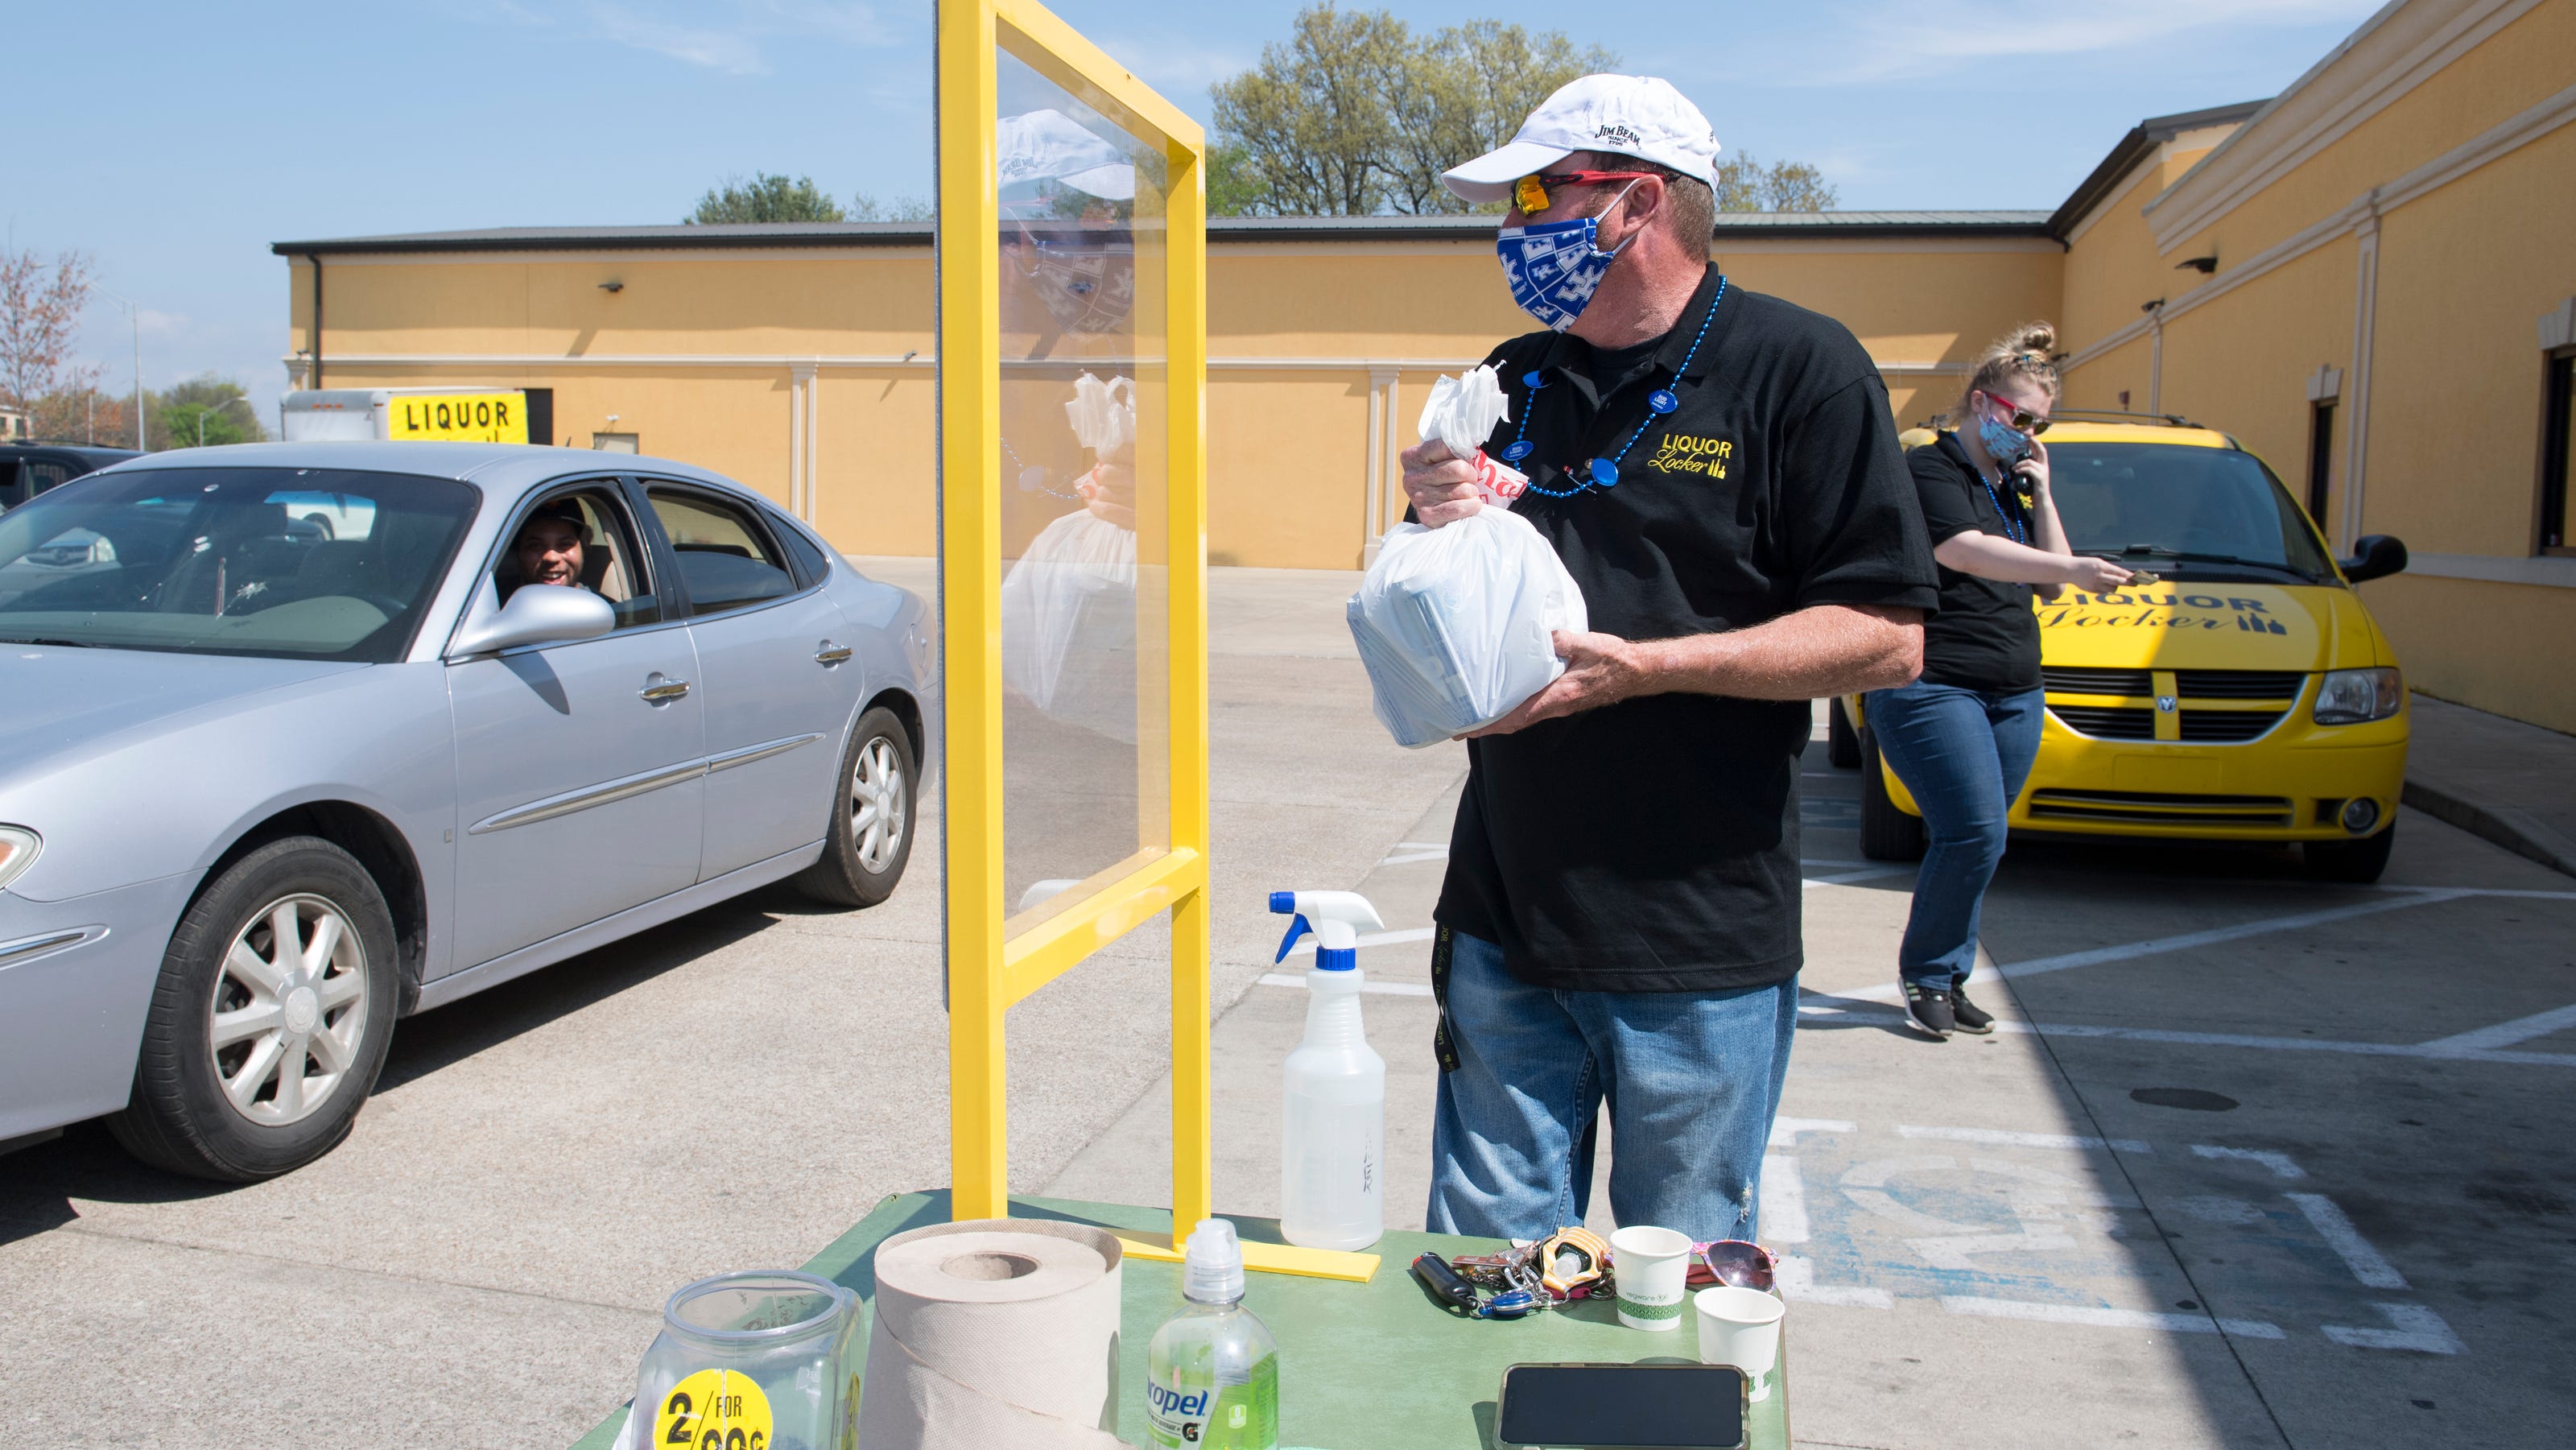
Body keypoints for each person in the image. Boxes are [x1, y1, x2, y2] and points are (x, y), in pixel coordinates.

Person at [1399, 74, 1938, 1244]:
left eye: (1537, 196)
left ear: (1637, 201)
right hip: (1505, 915)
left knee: (1675, 1284)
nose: (1511, 231)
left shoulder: (1803, 370)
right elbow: (1447, 598)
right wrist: (1433, 517)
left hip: (1694, 941)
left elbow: (1890, 635)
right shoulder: (1515, 375)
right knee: (1483, 1269)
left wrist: (1653, 667)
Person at [1863, 324, 2132, 1039]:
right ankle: (1927, 971)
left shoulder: (2010, 487)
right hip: (1936, 685)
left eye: (2041, 422)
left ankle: (1949, 974)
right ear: (1984, 404)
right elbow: (1964, 551)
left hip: (2015, 690)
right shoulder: (1933, 469)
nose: (2029, 430)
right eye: (2019, 416)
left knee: (1981, 839)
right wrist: (2071, 570)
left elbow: (2050, 582)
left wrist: (2041, 493)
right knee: (1974, 830)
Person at [507, 502, 594, 597]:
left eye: (565, 544)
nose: (552, 557)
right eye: (536, 546)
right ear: (518, 553)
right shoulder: (496, 605)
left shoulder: (604, 609)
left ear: (583, 548)